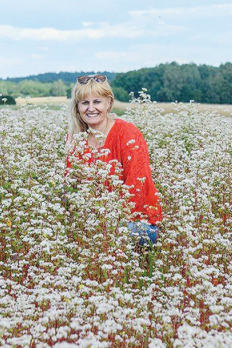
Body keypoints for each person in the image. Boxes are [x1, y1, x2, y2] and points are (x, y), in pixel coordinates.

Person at [66, 74, 163, 246]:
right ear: (77, 107)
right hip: (95, 221)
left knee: (108, 239)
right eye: (85, 103)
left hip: (137, 222)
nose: (91, 108)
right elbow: (72, 187)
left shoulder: (127, 133)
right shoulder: (76, 138)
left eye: (97, 102)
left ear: (108, 103)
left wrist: (107, 222)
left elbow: (137, 187)